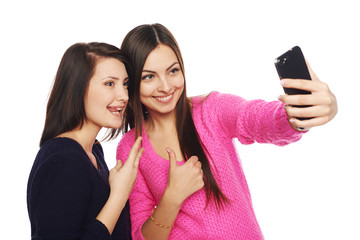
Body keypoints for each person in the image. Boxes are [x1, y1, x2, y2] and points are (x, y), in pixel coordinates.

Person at [116, 24, 338, 240]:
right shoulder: (130, 148)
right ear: (133, 81)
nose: (165, 86)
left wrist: (300, 115)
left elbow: (256, 117)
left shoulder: (211, 110)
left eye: (173, 71)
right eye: (149, 77)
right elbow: (141, 236)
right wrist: (172, 198)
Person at [27, 42, 144, 240]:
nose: (124, 96)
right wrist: (119, 195)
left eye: (125, 84)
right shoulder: (64, 160)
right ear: (78, 88)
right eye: (109, 84)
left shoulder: (93, 151)